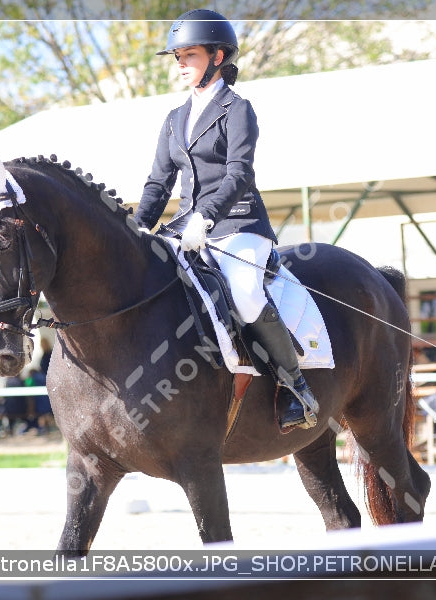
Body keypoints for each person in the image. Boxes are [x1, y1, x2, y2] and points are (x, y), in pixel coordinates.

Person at [134, 9, 316, 433]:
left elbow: (239, 174)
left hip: (238, 223)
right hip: (184, 226)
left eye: (189, 54)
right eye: (177, 56)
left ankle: (296, 387)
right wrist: (139, 227)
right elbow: (158, 183)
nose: (180, 63)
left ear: (217, 57)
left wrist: (206, 217)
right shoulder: (174, 119)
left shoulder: (238, 109)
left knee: (246, 294)